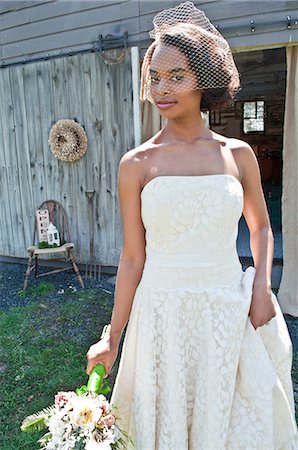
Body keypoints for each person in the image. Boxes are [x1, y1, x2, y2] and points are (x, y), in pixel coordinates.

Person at [86, 2, 297, 449]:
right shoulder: (136, 164)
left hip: (225, 309)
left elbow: (259, 228)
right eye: (155, 77)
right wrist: (113, 338)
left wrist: (262, 289)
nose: (162, 88)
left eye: (177, 76)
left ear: (206, 79)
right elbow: (131, 257)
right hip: (161, 313)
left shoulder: (236, 155)